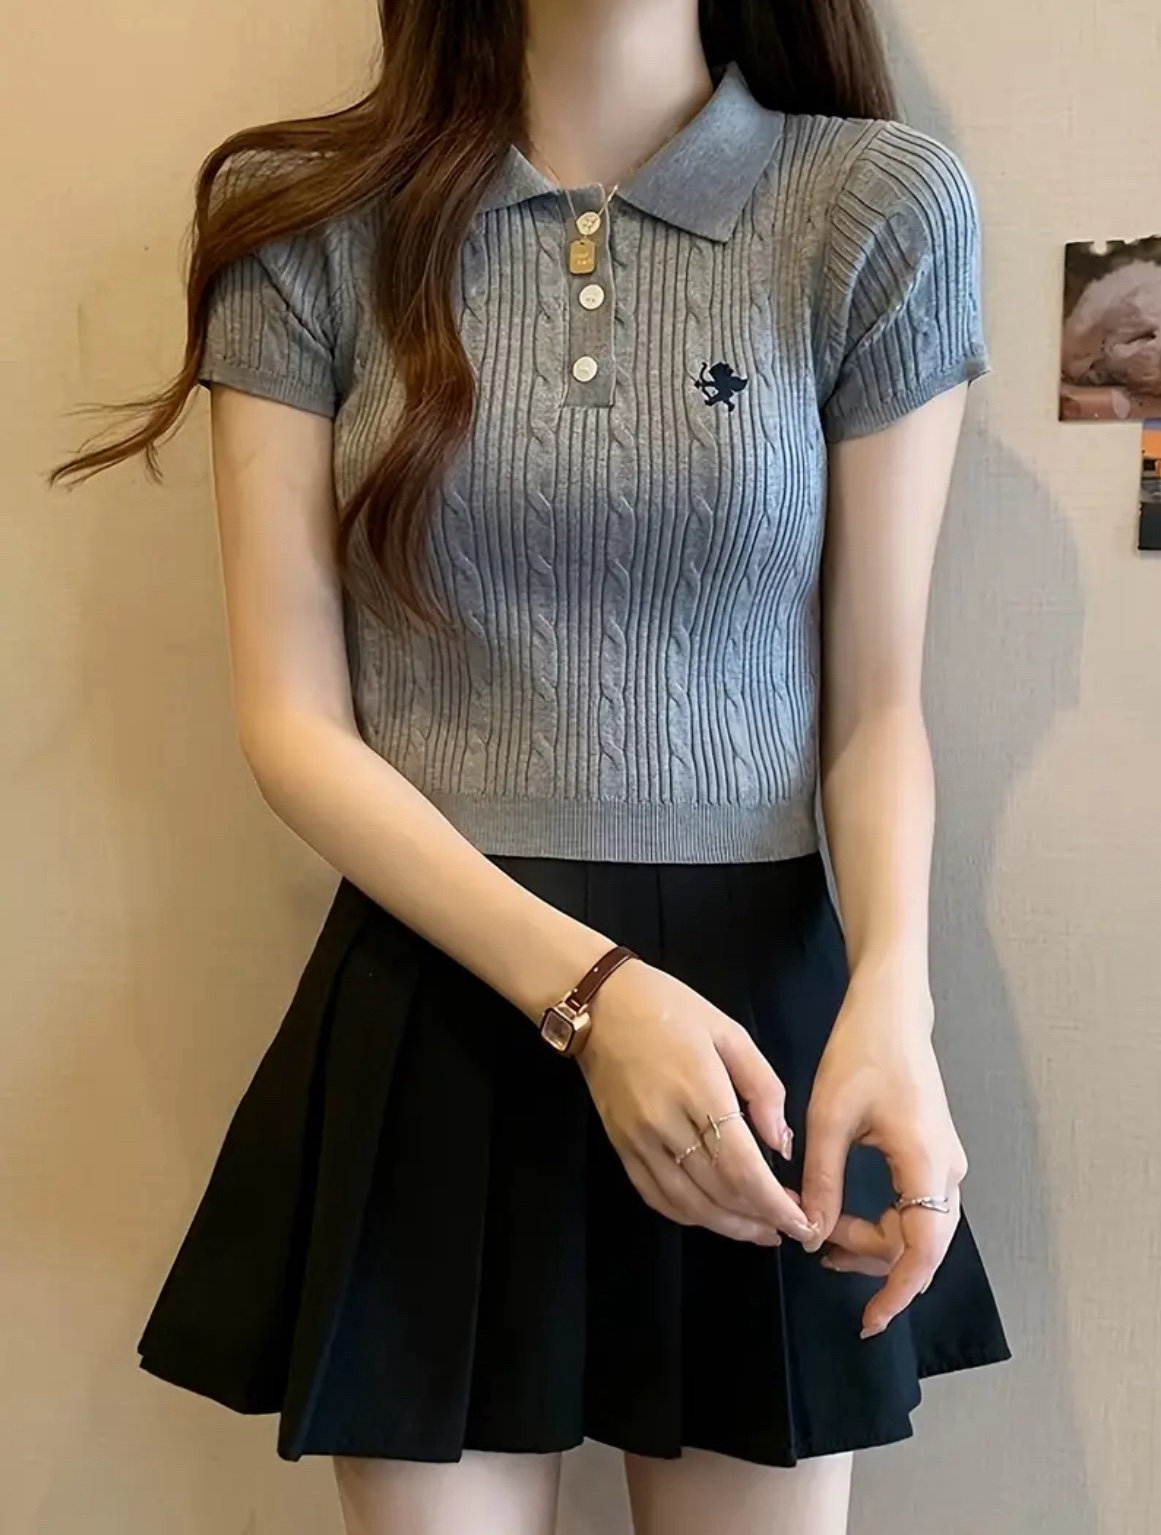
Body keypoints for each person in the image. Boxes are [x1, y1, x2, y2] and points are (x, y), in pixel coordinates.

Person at [51, 1, 1010, 1531]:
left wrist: (895, 1000)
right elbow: (292, 723)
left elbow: (873, 701)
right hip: (440, 998)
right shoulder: (305, 223)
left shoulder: (868, 204)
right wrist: (591, 997)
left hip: (758, 1024)